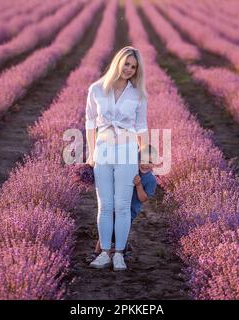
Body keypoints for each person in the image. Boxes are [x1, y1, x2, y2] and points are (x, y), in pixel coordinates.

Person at [85, 46, 149, 271]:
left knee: (122, 206)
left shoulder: (138, 95)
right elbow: (90, 123)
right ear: (117, 62)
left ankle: (119, 253)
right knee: (105, 205)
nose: (129, 69)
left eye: (134, 66)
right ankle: (104, 252)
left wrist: (146, 154)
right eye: (126, 64)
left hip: (127, 151)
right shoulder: (96, 89)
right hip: (103, 151)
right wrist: (91, 153)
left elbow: (141, 127)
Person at [92, 144, 158, 256]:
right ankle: (98, 252)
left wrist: (138, 185)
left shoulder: (151, 179)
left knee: (120, 229)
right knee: (107, 229)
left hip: (130, 210)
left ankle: (121, 249)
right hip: (115, 203)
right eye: (143, 160)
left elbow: (143, 199)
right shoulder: (131, 169)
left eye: (150, 162)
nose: (146, 164)